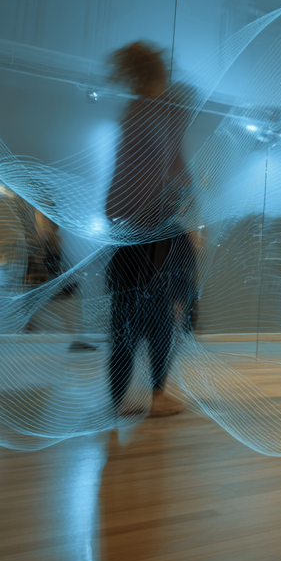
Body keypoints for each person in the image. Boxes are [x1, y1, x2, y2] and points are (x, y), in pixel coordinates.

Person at [103, 41, 193, 418]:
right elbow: (172, 174)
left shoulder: (134, 112)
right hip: (150, 231)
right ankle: (155, 394)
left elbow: (129, 181)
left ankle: (122, 397)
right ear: (156, 73)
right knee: (156, 320)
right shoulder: (156, 114)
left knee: (127, 321)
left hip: (130, 232)